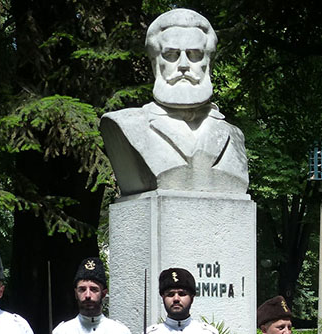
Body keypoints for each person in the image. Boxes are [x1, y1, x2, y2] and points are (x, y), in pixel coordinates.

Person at [100, 8, 248, 195]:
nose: (184, 65)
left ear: (208, 62)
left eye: (195, 54)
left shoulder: (233, 135)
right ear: (155, 61)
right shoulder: (126, 124)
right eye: (171, 55)